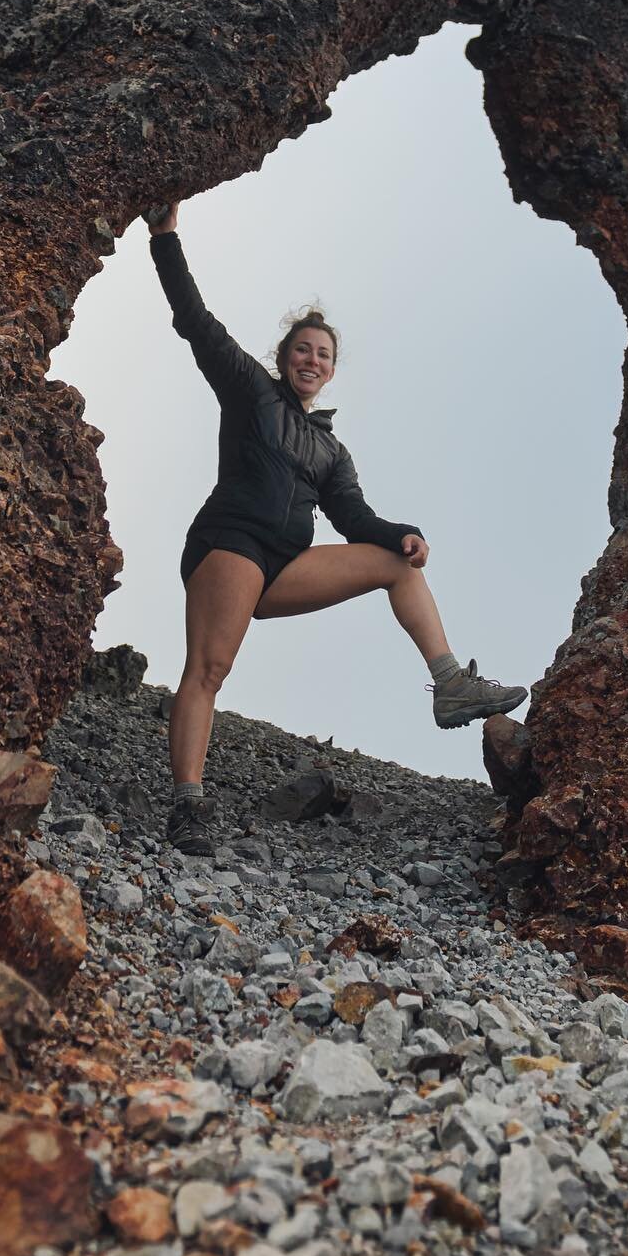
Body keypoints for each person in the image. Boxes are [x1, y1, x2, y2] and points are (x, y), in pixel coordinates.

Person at [147, 199, 527, 855]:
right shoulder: (249, 389)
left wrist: (403, 532)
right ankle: (188, 805)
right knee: (210, 668)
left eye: (323, 354)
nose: (313, 360)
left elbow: (356, 520)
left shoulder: (331, 450)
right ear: (285, 355)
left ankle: (449, 685)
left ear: (331, 368)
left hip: (286, 562)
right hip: (230, 543)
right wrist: (165, 238)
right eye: (303, 350)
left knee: (394, 564)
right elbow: (194, 320)